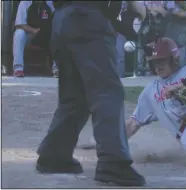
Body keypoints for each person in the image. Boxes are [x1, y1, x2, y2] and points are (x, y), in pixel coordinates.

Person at [35, 1, 145, 186]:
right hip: (87, 18)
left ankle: (54, 155)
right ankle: (113, 161)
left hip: (62, 19)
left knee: (74, 97)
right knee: (107, 91)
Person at [13, 0, 58, 77]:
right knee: (19, 33)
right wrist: (34, 30)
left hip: (47, 34)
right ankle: (18, 69)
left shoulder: (51, 3)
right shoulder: (25, 2)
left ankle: (57, 69)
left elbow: (57, 21)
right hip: (30, 34)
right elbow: (19, 24)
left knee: (58, 33)